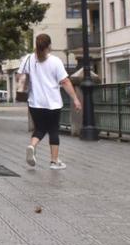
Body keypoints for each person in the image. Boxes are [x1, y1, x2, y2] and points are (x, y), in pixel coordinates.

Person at [19, 34, 83, 169]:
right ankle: (54, 162)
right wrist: (75, 99)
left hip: (34, 102)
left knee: (40, 128)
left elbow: (21, 76)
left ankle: (32, 146)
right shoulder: (55, 61)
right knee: (53, 130)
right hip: (52, 103)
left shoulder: (28, 59)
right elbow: (65, 82)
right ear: (49, 46)